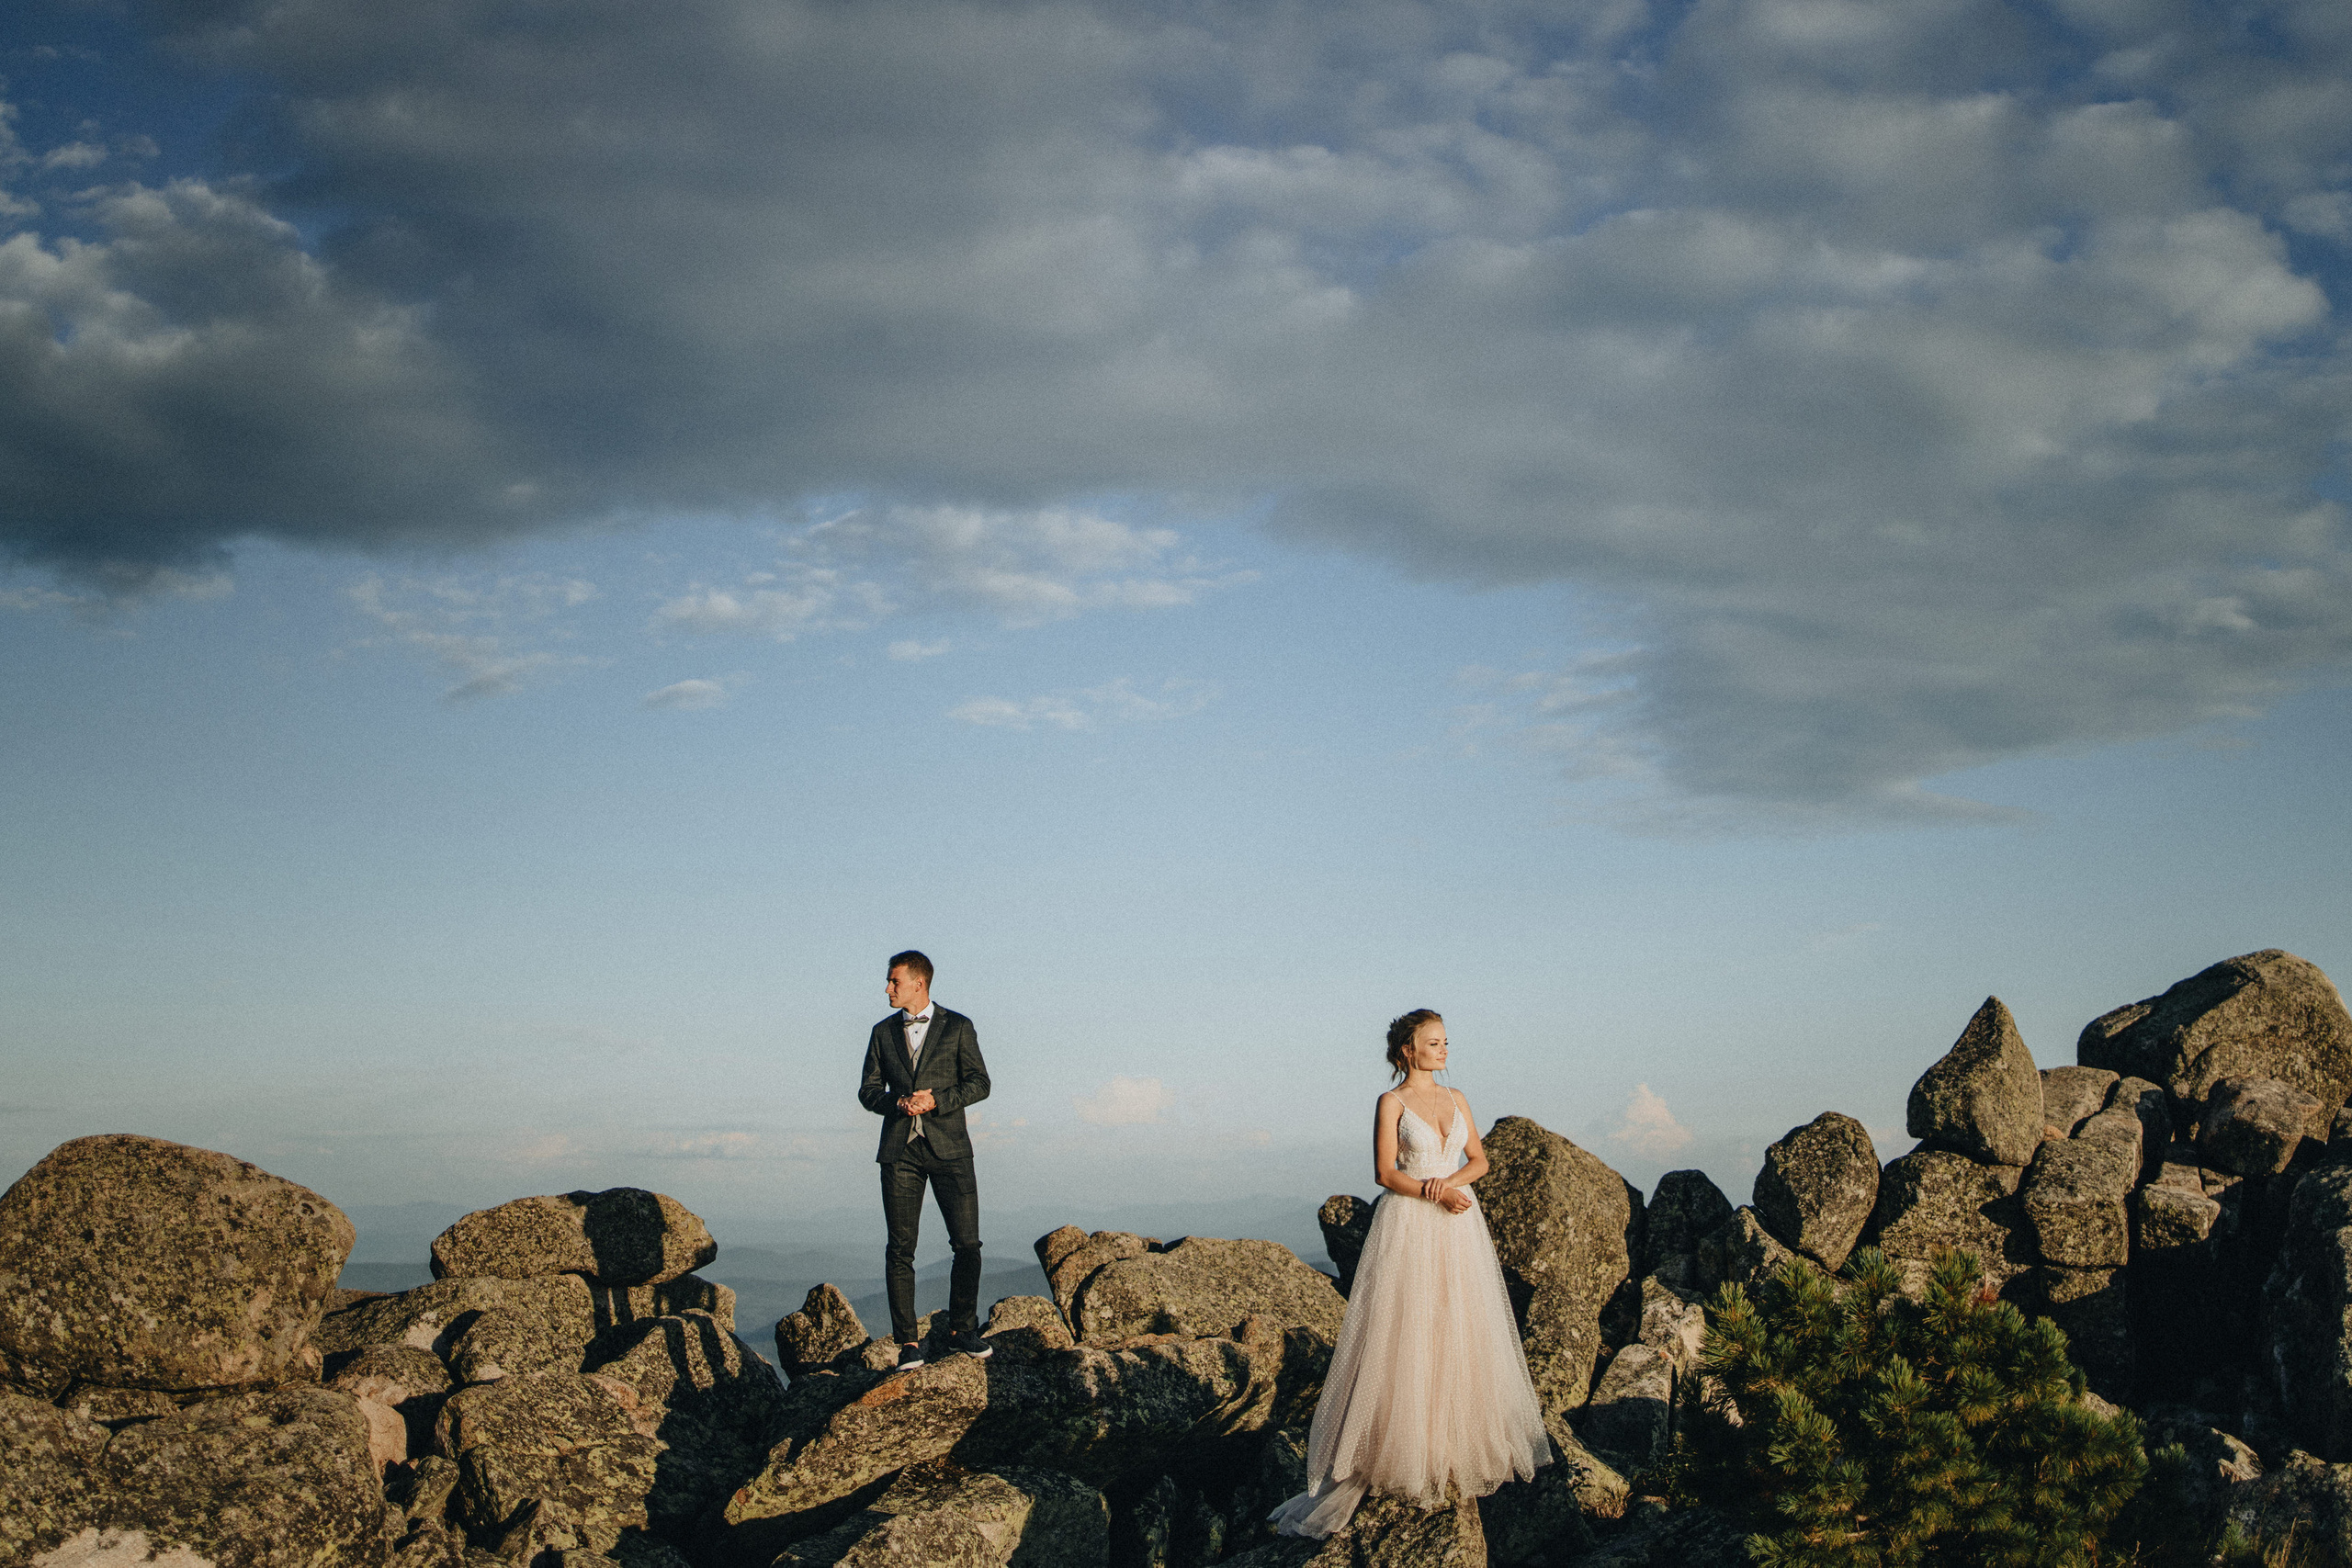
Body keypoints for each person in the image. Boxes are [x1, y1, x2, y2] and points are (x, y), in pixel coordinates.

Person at [1269, 1009, 1552, 1538]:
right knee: (1409, 1329)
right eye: (1434, 1042)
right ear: (1408, 1049)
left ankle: (1453, 1446)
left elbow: (1480, 1161)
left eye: (1446, 1041)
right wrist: (1433, 1190)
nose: (1444, 1050)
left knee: (1460, 1323)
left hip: (1459, 1222)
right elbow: (1384, 1172)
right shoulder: (1391, 1102)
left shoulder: (1458, 1097)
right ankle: (1403, 1451)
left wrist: (1451, 1186)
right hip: (1411, 1223)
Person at [857, 949, 993, 1371]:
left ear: (919, 982)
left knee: (967, 1244)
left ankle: (962, 1330)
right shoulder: (882, 1033)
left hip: (951, 1150)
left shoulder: (958, 1026)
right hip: (900, 1153)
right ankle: (908, 1344)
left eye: (893, 981)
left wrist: (938, 1100)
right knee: (901, 1249)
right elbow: (867, 1091)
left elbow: (980, 1083)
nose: (887, 988)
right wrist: (898, 1103)